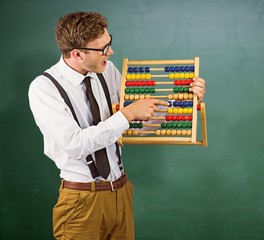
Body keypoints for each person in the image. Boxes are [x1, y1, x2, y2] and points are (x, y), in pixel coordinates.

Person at [28, 11, 206, 239]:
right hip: (81, 201)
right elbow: (74, 144)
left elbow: (136, 127)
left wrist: (184, 101)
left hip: (121, 191)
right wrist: (127, 114)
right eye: (103, 49)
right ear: (77, 54)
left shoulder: (107, 71)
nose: (110, 52)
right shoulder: (44, 88)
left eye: (109, 42)